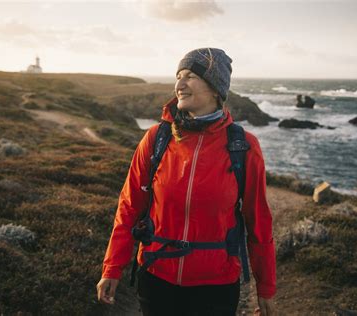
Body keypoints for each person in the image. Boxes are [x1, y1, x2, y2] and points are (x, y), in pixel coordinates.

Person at [97, 48, 276, 316]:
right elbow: (129, 207)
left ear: (216, 88)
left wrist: (266, 287)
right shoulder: (157, 138)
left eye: (190, 76)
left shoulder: (243, 146)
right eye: (178, 76)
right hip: (156, 278)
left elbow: (259, 221)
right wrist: (112, 266)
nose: (179, 85)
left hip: (216, 286)